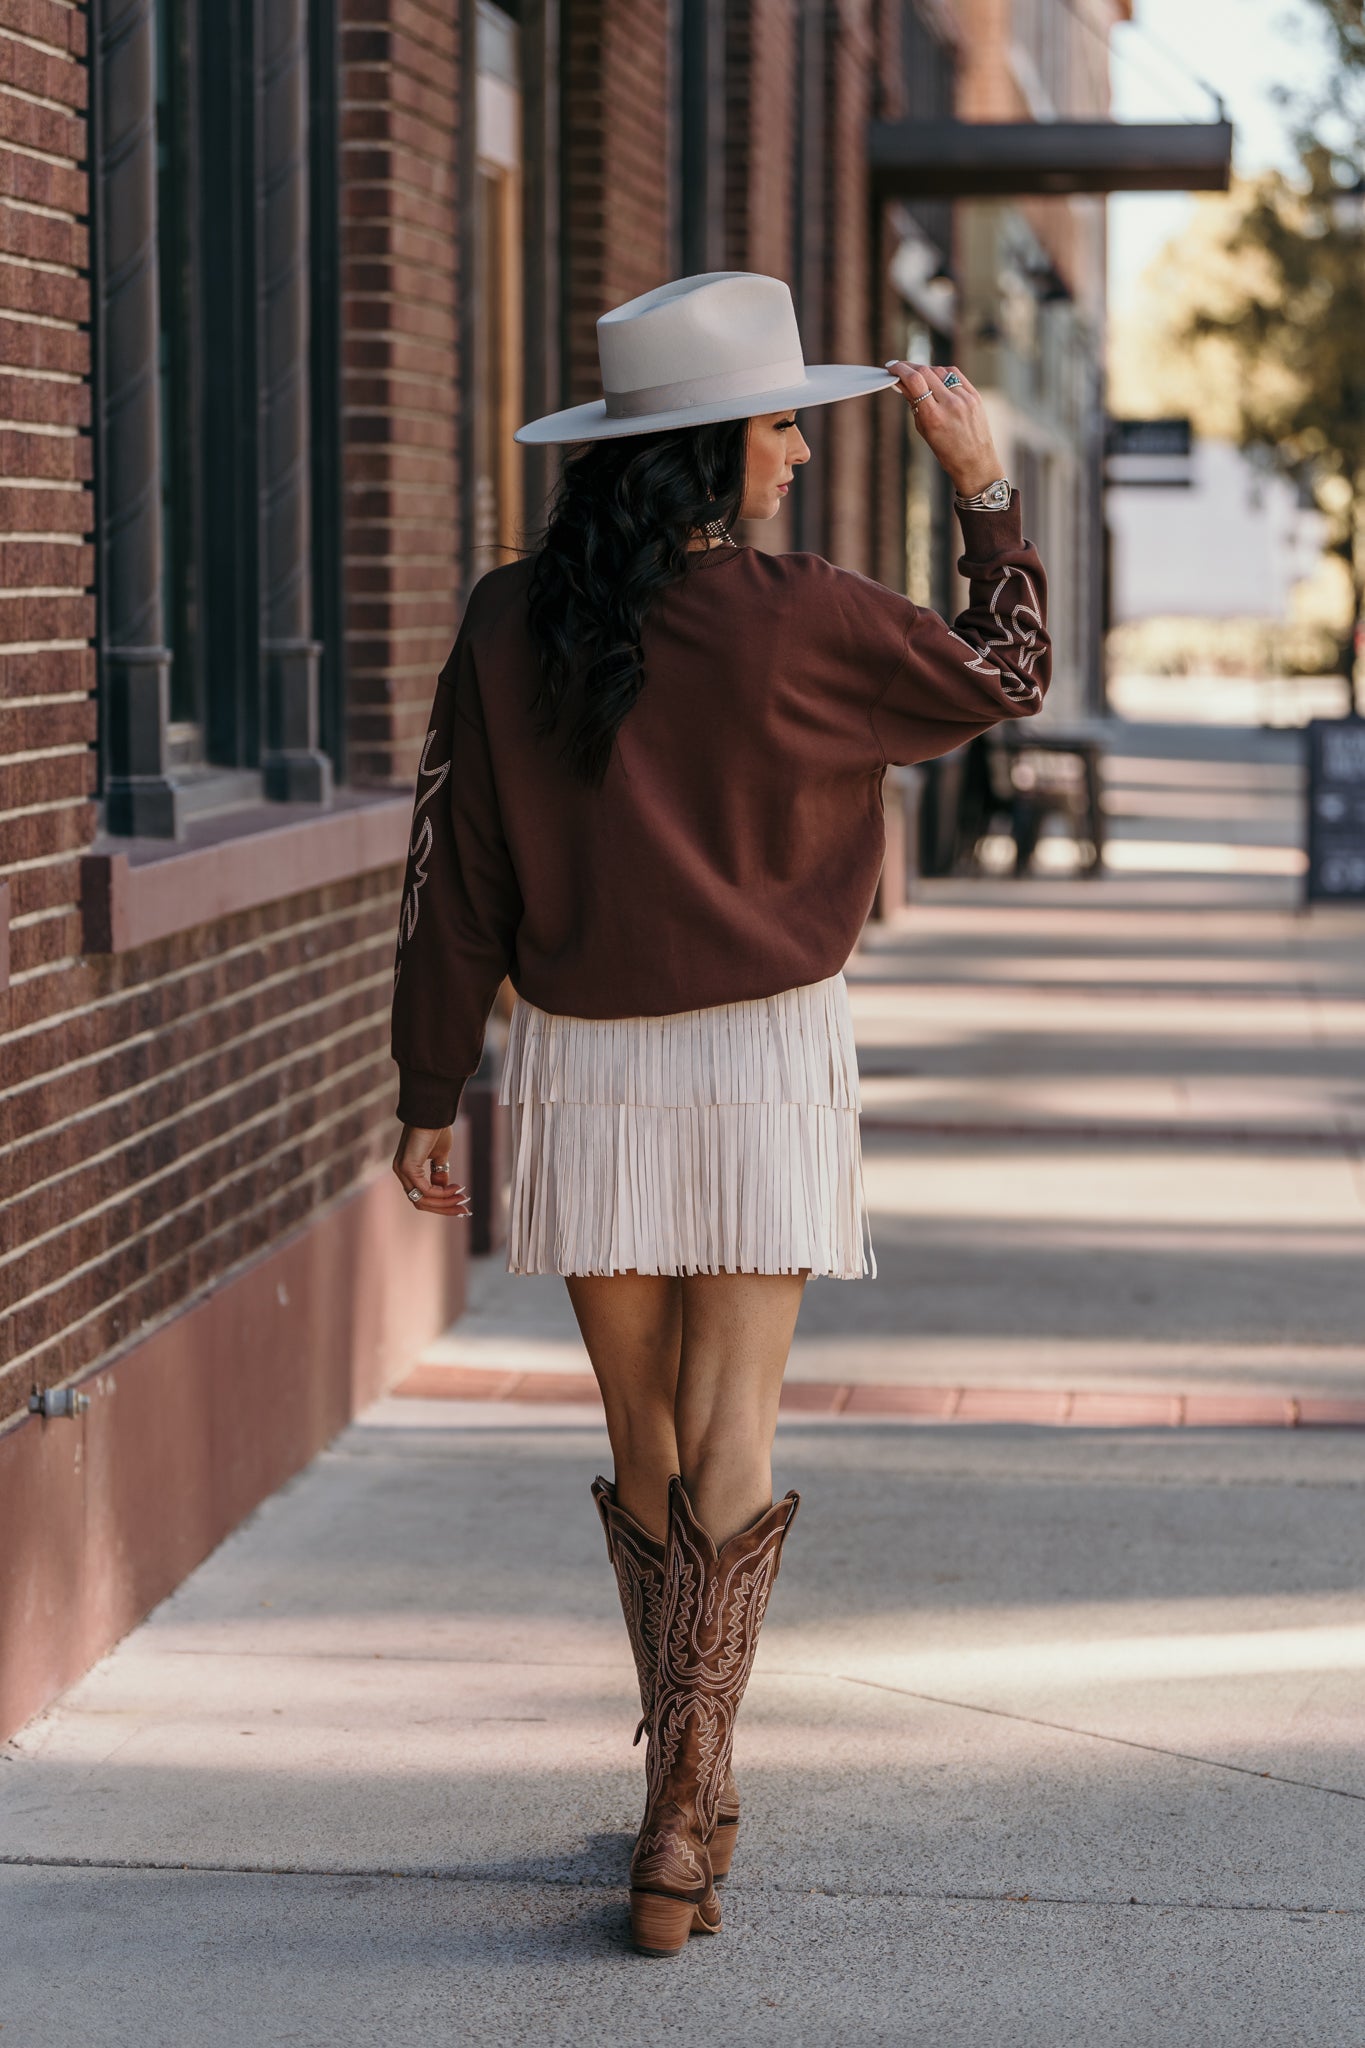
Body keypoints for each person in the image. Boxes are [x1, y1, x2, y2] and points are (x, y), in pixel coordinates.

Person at [389, 270, 1050, 1956]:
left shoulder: (502, 617)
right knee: (732, 1429)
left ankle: (676, 1786)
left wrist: (426, 1088)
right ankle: (688, 1792)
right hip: (766, 1053)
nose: (800, 457)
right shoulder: (807, 614)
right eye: (779, 426)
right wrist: (980, 491)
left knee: (641, 1439)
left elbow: (453, 873)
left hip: (586, 1062)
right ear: (710, 454)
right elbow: (1006, 673)